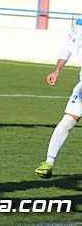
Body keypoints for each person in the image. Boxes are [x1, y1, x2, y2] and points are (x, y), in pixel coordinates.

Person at [35, 16, 82, 179]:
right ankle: (48, 162)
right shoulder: (80, 22)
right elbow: (68, 46)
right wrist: (57, 70)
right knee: (67, 121)